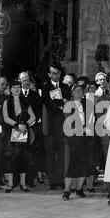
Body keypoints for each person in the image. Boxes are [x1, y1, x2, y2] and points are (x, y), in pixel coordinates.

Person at [2, 80, 36, 192]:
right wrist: (17, 125)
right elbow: (6, 118)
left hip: (23, 133)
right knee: (11, 158)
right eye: (14, 87)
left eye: (18, 87)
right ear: (10, 89)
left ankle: (23, 183)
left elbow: (33, 117)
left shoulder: (25, 102)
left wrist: (25, 125)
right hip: (11, 132)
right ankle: (11, 184)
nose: (16, 89)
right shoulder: (7, 102)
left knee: (23, 157)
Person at [41, 62, 71, 190]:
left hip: (63, 126)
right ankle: (52, 180)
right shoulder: (45, 88)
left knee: (61, 154)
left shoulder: (65, 87)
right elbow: (49, 105)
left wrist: (59, 103)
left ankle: (60, 179)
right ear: (49, 74)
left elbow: (67, 103)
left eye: (58, 73)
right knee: (51, 154)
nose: (55, 75)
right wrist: (60, 104)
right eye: (53, 73)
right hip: (51, 127)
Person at [62, 84, 94, 200]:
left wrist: (88, 129)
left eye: (80, 90)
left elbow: (91, 119)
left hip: (85, 137)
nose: (78, 92)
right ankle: (67, 190)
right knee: (72, 164)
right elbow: (68, 121)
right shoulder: (68, 105)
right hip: (73, 137)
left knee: (84, 163)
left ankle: (79, 189)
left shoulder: (87, 104)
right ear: (72, 93)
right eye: (76, 91)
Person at [19, 71, 42, 187]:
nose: (26, 82)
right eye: (23, 80)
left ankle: (30, 180)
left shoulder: (35, 95)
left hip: (33, 128)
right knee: (20, 153)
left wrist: (32, 122)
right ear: (20, 82)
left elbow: (38, 111)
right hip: (20, 128)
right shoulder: (17, 95)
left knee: (32, 154)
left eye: (27, 80)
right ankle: (19, 181)